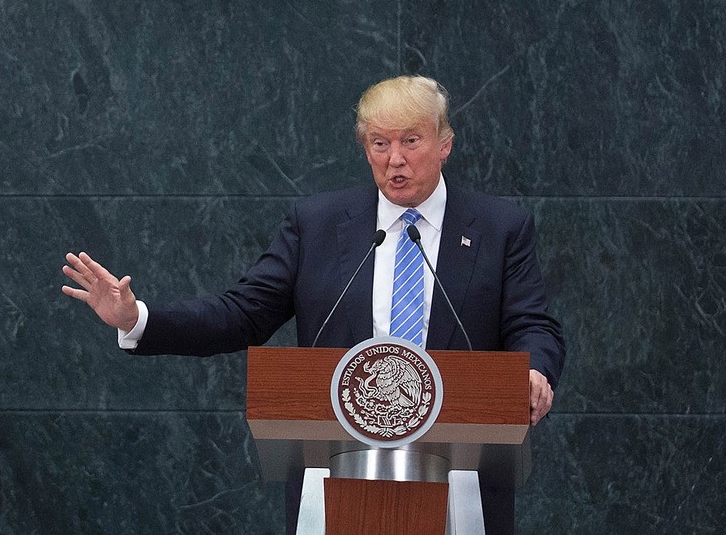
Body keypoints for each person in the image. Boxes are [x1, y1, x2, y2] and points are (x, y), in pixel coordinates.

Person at [60, 76, 563, 535]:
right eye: (379, 143)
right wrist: (137, 318)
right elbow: (242, 314)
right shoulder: (319, 224)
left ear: (445, 144)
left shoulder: (499, 228)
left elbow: (531, 324)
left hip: (462, 479)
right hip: (336, 475)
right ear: (365, 149)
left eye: (411, 140)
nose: (395, 159)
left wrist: (535, 371)